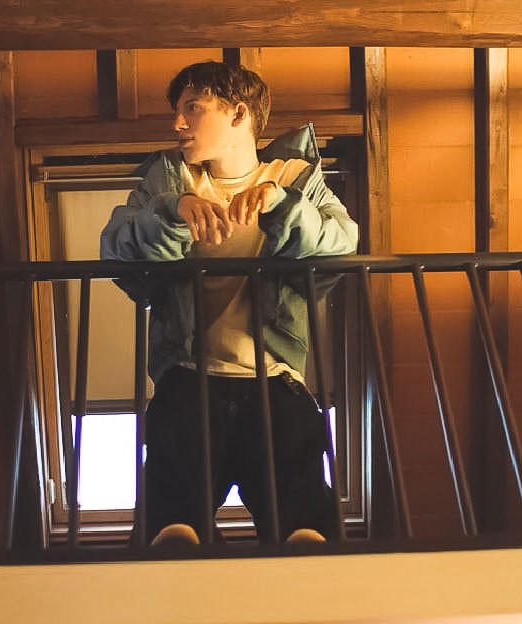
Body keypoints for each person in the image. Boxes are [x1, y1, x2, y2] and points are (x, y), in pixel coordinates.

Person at [100, 60, 358, 545]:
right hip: (188, 373)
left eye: (193, 108)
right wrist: (173, 210)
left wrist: (281, 204)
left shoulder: (295, 177)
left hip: (275, 375)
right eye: (178, 111)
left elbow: (341, 242)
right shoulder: (168, 180)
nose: (178, 123)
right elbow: (116, 245)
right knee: (171, 517)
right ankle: (178, 570)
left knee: (303, 516)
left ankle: (306, 575)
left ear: (239, 113)